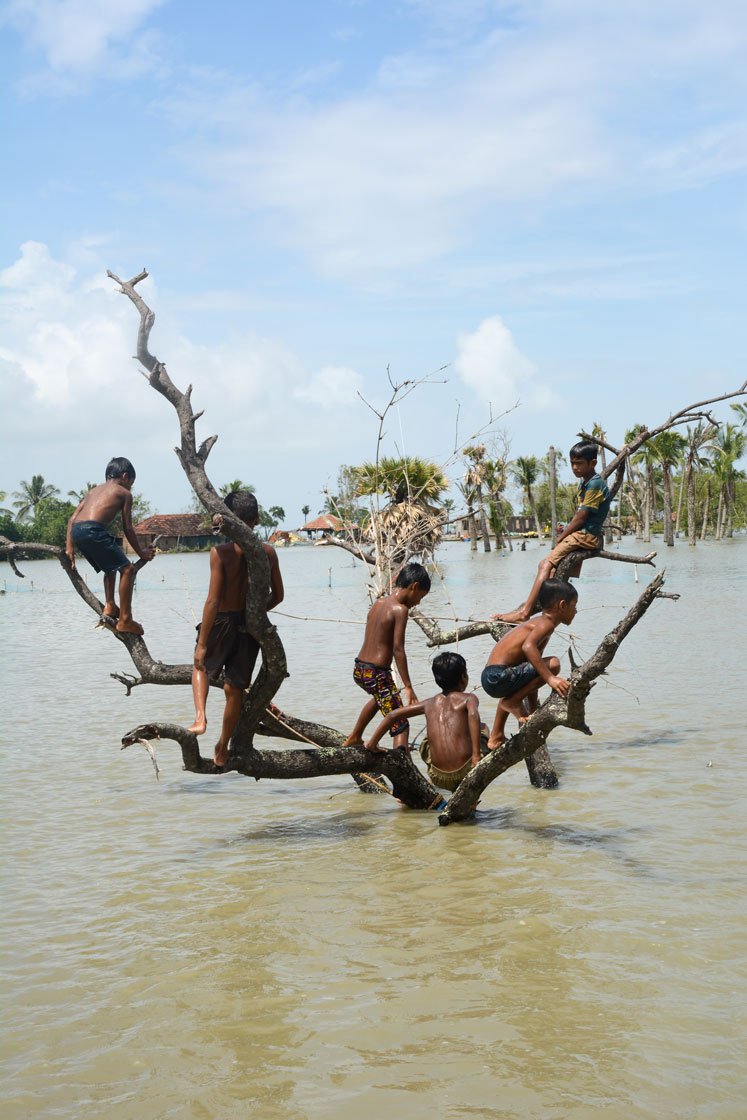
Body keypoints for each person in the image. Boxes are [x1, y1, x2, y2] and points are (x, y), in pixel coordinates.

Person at [188, 490, 284, 769]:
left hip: (221, 620)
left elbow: (213, 600)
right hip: (249, 626)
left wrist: (203, 643)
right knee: (234, 689)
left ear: (228, 521)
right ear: (256, 519)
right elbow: (278, 595)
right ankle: (223, 746)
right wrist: (254, 613)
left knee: (200, 665)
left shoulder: (220, 553)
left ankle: (200, 717)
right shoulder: (267, 552)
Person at [496, 441, 610, 623]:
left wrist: (562, 536)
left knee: (544, 565)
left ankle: (525, 612)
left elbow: (581, 517)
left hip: (586, 535)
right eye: (573, 463)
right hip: (585, 534)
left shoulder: (595, 484)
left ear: (593, 463)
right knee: (552, 571)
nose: (574, 467)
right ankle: (546, 609)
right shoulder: (587, 482)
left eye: (579, 463)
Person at [365, 651, 484, 793]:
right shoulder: (469, 698)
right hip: (466, 770)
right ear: (463, 677)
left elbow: (392, 715)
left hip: (438, 776)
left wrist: (372, 743)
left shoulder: (429, 703)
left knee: (427, 741)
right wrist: (476, 756)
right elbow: (473, 715)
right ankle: (471, 800)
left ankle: (450, 789)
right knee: (483, 728)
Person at [342, 562, 431, 750]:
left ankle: (355, 737)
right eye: (420, 596)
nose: (419, 602)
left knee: (381, 699)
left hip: (360, 669)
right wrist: (408, 686)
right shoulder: (400, 610)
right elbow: (398, 649)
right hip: (377, 673)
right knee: (401, 722)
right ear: (414, 586)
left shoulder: (378, 603)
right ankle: (403, 769)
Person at [66, 456, 155, 635]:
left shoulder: (93, 491)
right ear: (125, 476)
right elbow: (127, 527)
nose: (131, 487)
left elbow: (72, 519)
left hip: (77, 532)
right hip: (93, 530)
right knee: (128, 569)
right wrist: (142, 552)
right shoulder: (124, 493)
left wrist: (70, 548)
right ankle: (126, 620)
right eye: (131, 482)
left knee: (111, 567)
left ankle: (110, 605)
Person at [483, 578, 576, 748]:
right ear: (562, 605)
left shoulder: (540, 623)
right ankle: (512, 702)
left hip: (493, 677)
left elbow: (533, 667)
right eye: (574, 606)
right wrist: (550, 679)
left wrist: (534, 710)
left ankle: (496, 735)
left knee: (540, 669)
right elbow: (528, 647)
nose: (576, 611)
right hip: (498, 675)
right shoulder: (546, 624)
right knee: (553, 664)